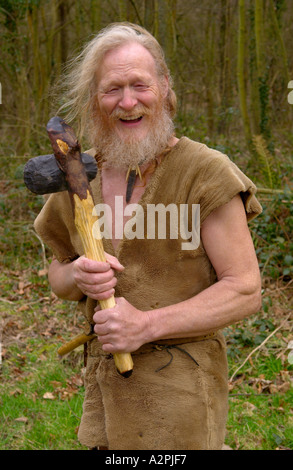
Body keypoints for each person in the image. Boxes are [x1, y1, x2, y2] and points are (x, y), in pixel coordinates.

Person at [34, 22, 262, 450]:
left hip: (181, 395)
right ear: (93, 99)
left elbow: (245, 289)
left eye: (140, 84)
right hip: (103, 402)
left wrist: (146, 325)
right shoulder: (80, 173)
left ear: (164, 87)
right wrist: (77, 276)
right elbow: (58, 272)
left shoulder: (205, 174)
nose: (127, 101)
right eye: (111, 89)